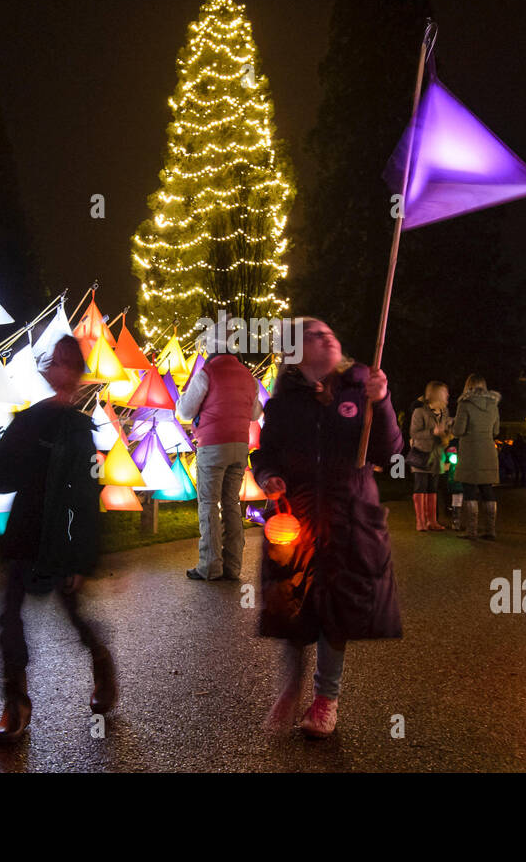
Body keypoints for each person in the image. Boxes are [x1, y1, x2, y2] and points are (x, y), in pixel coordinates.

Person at [252, 317, 403, 739]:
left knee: (336, 610)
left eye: (330, 333)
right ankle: (291, 682)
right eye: (314, 336)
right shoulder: (282, 406)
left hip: (348, 517)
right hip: (296, 520)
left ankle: (325, 700)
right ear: (295, 353)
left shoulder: (360, 391)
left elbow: (390, 448)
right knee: (292, 602)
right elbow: (265, 456)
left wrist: (383, 400)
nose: (328, 337)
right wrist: (268, 478)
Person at [0, 335, 117, 743]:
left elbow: (85, 498)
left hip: (61, 540)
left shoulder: (80, 431)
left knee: (74, 614)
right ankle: (15, 703)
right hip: (23, 533)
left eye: (72, 365)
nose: (64, 373)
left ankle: (102, 664)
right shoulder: (29, 420)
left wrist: (78, 561)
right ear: (50, 371)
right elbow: (3, 477)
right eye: (58, 364)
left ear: (79, 375)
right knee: (9, 618)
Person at [175, 333, 263, 581]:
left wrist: (185, 398)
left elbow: (184, 411)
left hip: (213, 445)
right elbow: (255, 413)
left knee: (209, 505)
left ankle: (210, 566)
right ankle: (233, 566)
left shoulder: (207, 373)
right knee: (232, 504)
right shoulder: (248, 376)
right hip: (239, 445)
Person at [451, 374, 501, 540]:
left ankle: (472, 531)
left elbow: (458, 430)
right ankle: (490, 530)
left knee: (469, 489)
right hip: (488, 450)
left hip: (470, 451)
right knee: (487, 489)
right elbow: (496, 431)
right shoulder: (493, 404)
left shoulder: (465, 404)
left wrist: (452, 424)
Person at [408, 381, 451, 531]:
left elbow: (445, 433)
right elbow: (414, 433)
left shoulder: (445, 413)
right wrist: (432, 433)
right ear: (437, 394)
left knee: (433, 489)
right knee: (421, 488)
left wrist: (447, 435)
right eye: (445, 393)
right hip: (422, 456)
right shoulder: (420, 412)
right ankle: (421, 522)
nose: (448, 396)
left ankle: (432, 521)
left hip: (437, 457)